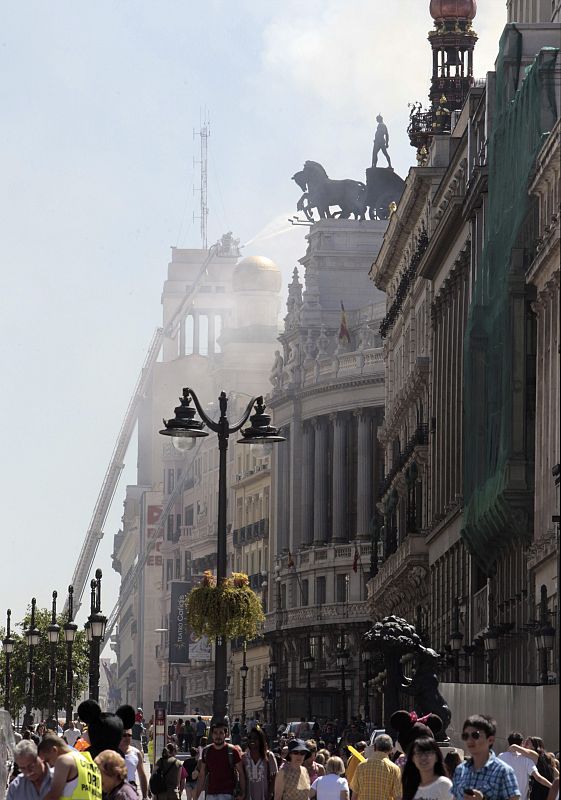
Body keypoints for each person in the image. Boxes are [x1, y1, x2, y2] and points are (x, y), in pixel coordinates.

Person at [451, 715, 520, 800]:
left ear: (490, 740)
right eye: (465, 736)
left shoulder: (503, 771)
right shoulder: (460, 770)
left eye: (475, 735)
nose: (469, 740)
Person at [38, 733, 102, 800]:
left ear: (54, 750)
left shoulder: (65, 760)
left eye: (47, 761)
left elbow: (53, 796)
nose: (49, 766)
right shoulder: (92, 765)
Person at [194, 720, 246, 800]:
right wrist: (196, 797)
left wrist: (243, 793)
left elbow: (241, 773)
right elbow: (202, 775)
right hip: (210, 794)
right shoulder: (206, 751)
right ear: (212, 735)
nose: (218, 736)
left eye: (221, 733)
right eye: (215, 733)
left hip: (228, 794)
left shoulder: (232, 751)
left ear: (225, 735)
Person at [498, 734, 552, 800]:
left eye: (527, 743)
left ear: (534, 747)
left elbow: (515, 747)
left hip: (541, 788)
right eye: (524, 743)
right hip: (536, 790)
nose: (524, 745)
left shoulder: (532, 754)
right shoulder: (528, 759)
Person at [350, 734, 401, 800]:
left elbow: (354, 795)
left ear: (374, 748)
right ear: (391, 749)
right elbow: (398, 797)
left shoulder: (361, 766)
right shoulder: (394, 769)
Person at [242, 727, 278, 800]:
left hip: (264, 797)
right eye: (250, 737)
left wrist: (270, 794)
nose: (252, 740)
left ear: (261, 740)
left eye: (255, 738)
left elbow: (274, 777)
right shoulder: (244, 757)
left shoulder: (269, 756)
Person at [119, 728, 149, 798]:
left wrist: (145, 797)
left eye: (129, 735)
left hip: (131, 793)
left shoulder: (136, 753)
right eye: (124, 735)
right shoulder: (111, 752)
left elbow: (142, 776)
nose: (127, 737)